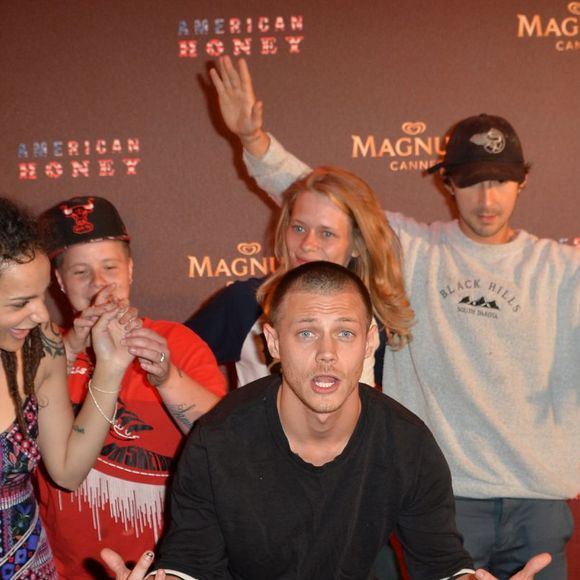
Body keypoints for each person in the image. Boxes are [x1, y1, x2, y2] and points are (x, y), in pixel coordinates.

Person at [208, 55, 580, 579]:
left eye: (501, 180)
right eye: (472, 181)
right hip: (443, 494)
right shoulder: (417, 251)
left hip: (539, 500)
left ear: (523, 182)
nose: (487, 197)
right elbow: (320, 199)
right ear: (447, 184)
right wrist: (254, 139)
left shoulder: (565, 269)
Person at [98, 262, 552, 580]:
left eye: (346, 333)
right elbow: (192, 559)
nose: (327, 354)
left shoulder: (406, 444)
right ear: (273, 341)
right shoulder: (218, 440)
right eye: (307, 332)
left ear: (370, 341)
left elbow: (439, 561)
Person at [35, 196, 227, 578]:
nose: (99, 284)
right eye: (80, 273)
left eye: (110, 267)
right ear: (58, 281)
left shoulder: (178, 343)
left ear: (130, 269)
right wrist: (67, 351)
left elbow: (228, 450)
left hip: (170, 569)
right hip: (63, 570)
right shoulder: (39, 349)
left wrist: (167, 377)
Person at [0, 197, 136, 577]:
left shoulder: (38, 343)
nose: (42, 314)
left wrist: (110, 367)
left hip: (29, 567)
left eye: (42, 294)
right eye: (20, 302)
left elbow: (67, 470)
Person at [185, 165, 414, 388]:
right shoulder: (246, 303)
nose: (307, 244)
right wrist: (218, 418)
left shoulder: (378, 319)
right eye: (299, 228)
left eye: (326, 233)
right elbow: (169, 360)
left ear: (356, 244)